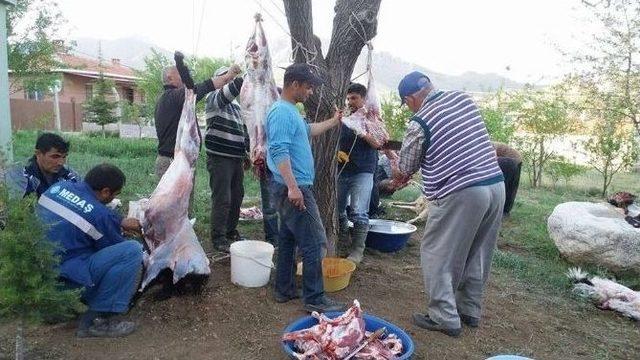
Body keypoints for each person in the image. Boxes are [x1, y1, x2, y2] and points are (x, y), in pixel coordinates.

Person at [391, 71, 505, 337]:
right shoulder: (462, 99)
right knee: (477, 251)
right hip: (495, 184)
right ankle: (469, 310)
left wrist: (396, 171)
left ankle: (444, 317)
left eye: (407, 103)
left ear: (410, 98)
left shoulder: (419, 121)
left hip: (462, 192)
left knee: (436, 253)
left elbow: (406, 167)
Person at [266, 63, 345, 313]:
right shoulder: (281, 112)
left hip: (291, 186)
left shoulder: (290, 112)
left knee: (289, 238)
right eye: (308, 87)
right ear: (294, 85)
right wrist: (293, 187)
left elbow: (307, 130)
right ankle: (315, 298)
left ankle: (284, 288)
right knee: (315, 242)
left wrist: (333, 122)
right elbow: (279, 150)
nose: (310, 92)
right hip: (294, 187)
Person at [37, 163, 144, 338]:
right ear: (106, 192)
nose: (112, 199)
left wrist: (118, 220)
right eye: (115, 195)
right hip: (65, 280)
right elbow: (112, 245)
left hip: (39, 278)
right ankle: (97, 320)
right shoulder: (100, 215)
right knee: (131, 251)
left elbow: (85, 209)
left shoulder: (59, 187)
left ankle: (60, 307)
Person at [336, 83, 382, 263]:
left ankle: (357, 251)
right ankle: (342, 240)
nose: (350, 102)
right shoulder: (344, 116)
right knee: (338, 210)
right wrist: (335, 153)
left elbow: (378, 143)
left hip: (363, 170)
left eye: (354, 98)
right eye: (348, 98)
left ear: (363, 99)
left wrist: (361, 132)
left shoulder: (371, 117)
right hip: (342, 170)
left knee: (358, 211)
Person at [204, 66, 247, 252]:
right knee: (223, 198)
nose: (228, 80)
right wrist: (244, 75)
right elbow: (229, 91)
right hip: (220, 157)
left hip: (236, 157)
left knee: (237, 197)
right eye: (224, 77)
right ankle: (218, 237)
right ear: (217, 80)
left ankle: (230, 231)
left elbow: (242, 131)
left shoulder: (236, 105)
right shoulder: (213, 97)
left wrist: (246, 153)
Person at [6, 132, 79, 198]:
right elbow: (17, 207)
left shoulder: (69, 175)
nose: (61, 162)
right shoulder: (20, 173)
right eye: (55, 157)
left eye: (64, 157)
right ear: (38, 154)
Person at [492, 141, 522, 216]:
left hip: (510, 160)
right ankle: (506, 210)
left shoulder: (490, 145)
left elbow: (493, 158)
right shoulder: (491, 143)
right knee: (511, 187)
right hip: (518, 160)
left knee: (503, 186)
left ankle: (500, 211)